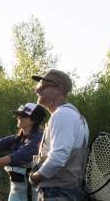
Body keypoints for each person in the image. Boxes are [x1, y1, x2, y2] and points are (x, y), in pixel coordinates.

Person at [28, 69, 89, 201]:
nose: (37, 90)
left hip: (56, 194)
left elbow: (58, 158)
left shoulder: (62, 115)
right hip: (66, 193)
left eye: (42, 87)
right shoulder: (76, 116)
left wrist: (35, 177)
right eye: (38, 87)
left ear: (59, 89)